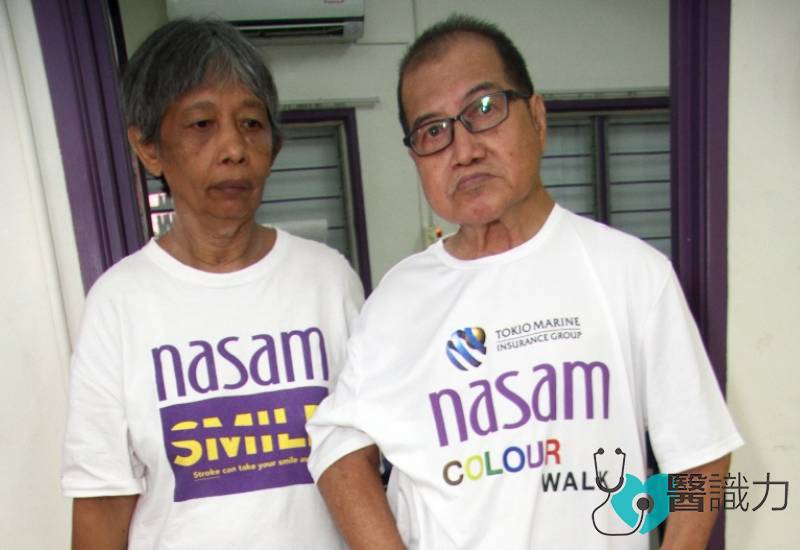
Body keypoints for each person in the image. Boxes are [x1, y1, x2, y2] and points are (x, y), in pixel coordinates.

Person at [307, 14, 742, 550]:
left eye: (484, 109)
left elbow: (702, 455)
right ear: (415, 158)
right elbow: (337, 445)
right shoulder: (397, 301)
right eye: (433, 131)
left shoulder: (630, 273)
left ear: (537, 117)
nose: (463, 150)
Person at [61, 19, 363, 549]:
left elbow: (371, 459)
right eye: (201, 124)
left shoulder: (327, 280)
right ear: (149, 148)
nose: (234, 148)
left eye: (251, 123)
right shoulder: (119, 303)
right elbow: (102, 504)